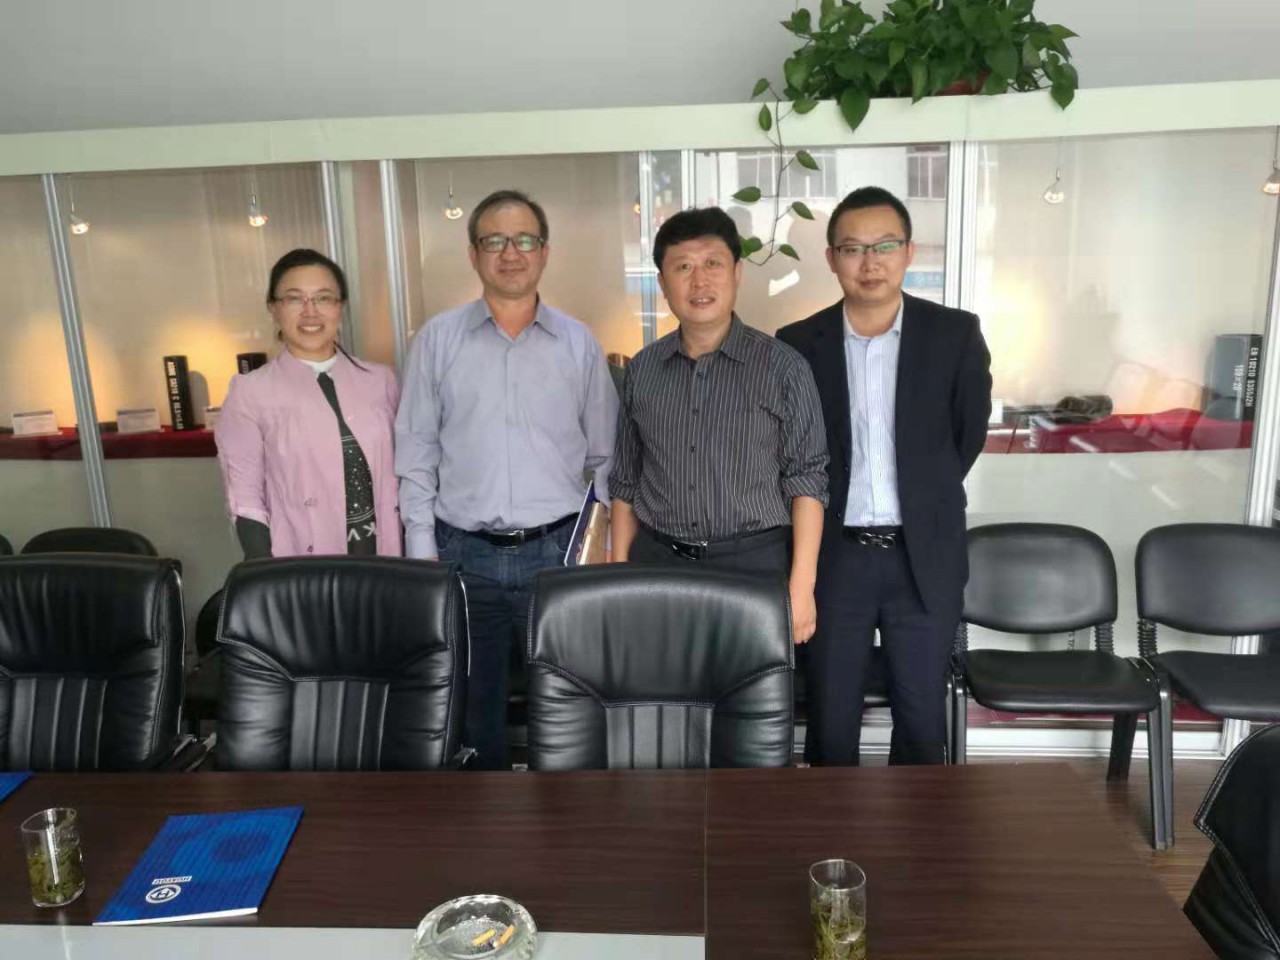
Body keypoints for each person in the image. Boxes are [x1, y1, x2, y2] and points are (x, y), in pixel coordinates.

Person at [395, 189, 617, 770]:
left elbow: (606, 459)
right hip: (464, 558)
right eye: (494, 241)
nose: (510, 253)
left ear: (544, 252)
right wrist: (423, 555)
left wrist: (594, 554)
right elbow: (416, 452)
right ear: (474, 254)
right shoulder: (437, 341)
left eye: (523, 240)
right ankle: (487, 823)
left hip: (557, 554)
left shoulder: (578, 343)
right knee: (473, 713)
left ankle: (564, 819)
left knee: (566, 706)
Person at [777, 186, 992, 766]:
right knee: (830, 717)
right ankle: (832, 822)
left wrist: (921, 495)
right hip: (835, 558)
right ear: (831, 258)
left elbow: (965, 435)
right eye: (853, 248)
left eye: (885, 246)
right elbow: (792, 455)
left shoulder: (954, 335)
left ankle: (917, 826)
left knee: (922, 719)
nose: (869, 262)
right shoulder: (797, 345)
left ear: (909, 252)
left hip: (922, 556)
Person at [610, 207, 828, 644]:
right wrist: (617, 578)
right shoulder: (643, 370)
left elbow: (807, 481)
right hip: (658, 565)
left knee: (750, 688)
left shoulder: (784, 368)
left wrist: (802, 588)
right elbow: (626, 483)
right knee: (661, 684)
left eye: (712, 263)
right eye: (683, 267)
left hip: (754, 567)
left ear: (737, 272)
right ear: (663, 283)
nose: (699, 281)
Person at [215, 248, 401, 559]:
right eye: (294, 298)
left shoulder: (382, 381)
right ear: (274, 307)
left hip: (386, 556)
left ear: (340, 306)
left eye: (324, 298)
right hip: (303, 562)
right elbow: (246, 497)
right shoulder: (249, 393)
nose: (310, 311)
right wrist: (266, 571)